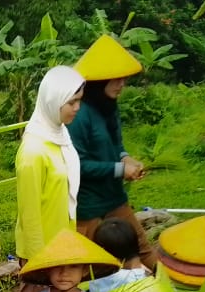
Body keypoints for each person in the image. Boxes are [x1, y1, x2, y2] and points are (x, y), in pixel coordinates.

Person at [67, 35, 155, 268]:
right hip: (89, 206)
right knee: (94, 265)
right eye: (116, 79)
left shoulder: (109, 106)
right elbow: (78, 164)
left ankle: (165, 290)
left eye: (124, 79)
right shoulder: (79, 115)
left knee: (140, 249)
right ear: (99, 81)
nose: (122, 84)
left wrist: (126, 158)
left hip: (114, 197)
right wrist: (119, 169)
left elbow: (116, 144)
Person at [14, 65, 86, 262]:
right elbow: (29, 214)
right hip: (43, 253)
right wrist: (39, 261)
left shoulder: (59, 135)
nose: (77, 108)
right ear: (53, 101)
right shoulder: (33, 152)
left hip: (62, 245)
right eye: (71, 102)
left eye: (79, 101)